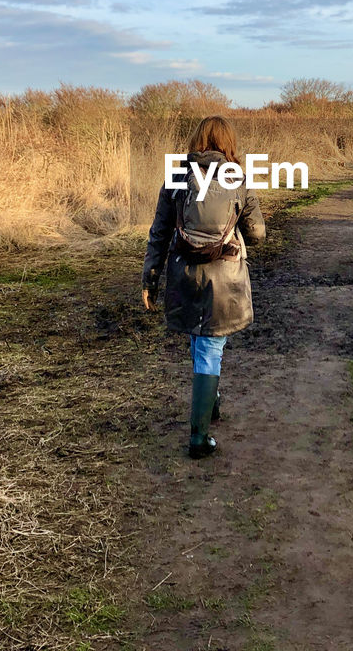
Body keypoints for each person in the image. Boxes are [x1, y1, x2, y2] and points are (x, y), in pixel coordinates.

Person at [141, 116, 266, 458]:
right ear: (228, 143)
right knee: (211, 347)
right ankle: (198, 437)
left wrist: (149, 279)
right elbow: (257, 234)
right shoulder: (238, 178)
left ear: (197, 141)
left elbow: (159, 232)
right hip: (224, 277)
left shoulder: (177, 176)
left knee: (199, 338)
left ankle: (209, 403)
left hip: (183, 274)